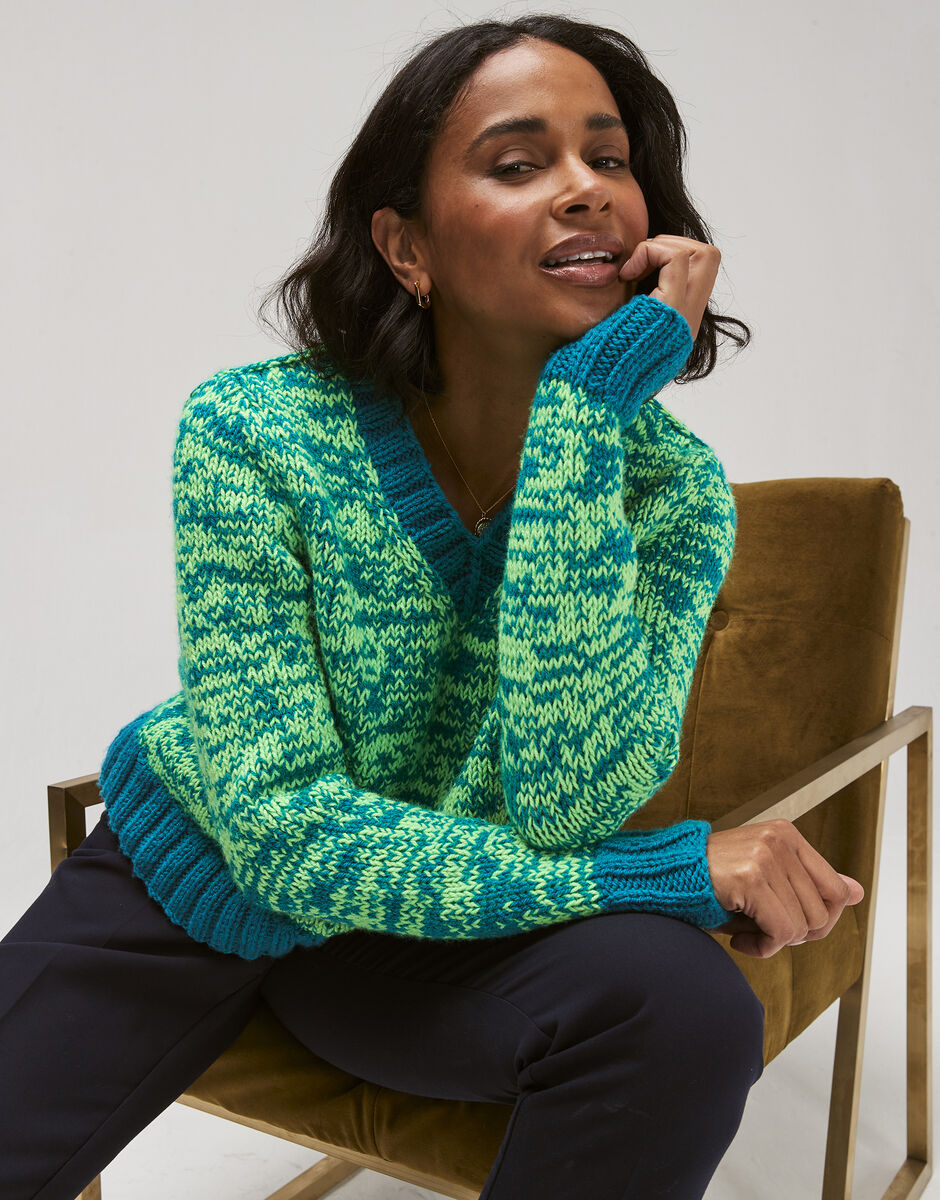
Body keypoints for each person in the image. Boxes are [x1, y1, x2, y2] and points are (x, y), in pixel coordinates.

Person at [0, 13, 865, 1200]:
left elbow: (568, 805)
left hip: (438, 931)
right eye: (517, 163)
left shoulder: (670, 492)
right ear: (405, 247)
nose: (584, 189)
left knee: (682, 1007)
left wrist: (581, 421)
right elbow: (285, 833)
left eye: (609, 159)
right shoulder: (253, 430)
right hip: (200, 877)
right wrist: (659, 873)